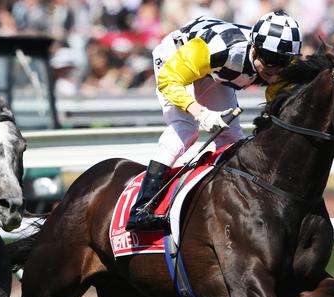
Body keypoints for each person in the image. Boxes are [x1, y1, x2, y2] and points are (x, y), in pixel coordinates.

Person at [126, 10, 302, 231]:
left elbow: (279, 103)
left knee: (233, 139)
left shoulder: (279, 63)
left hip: (214, 71)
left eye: (282, 62)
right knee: (186, 128)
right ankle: (142, 207)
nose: (274, 69)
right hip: (179, 56)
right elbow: (169, 79)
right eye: (269, 60)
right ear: (255, 48)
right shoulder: (223, 48)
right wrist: (200, 112)